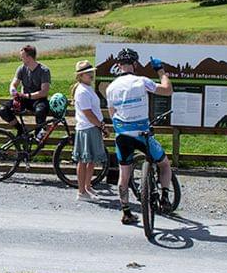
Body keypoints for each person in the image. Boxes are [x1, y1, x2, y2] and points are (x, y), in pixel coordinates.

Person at [105, 47, 174, 226]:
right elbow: (167, 90)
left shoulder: (111, 88)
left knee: (124, 174)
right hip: (141, 133)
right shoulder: (142, 81)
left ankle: (126, 212)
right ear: (135, 64)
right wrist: (160, 71)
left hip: (123, 135)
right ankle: (165, 197)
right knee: (164, 164)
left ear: (118, 65)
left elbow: (112, 114)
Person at [71, 60, 107, 203]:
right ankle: (81, 191)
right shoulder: (82, 91)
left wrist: (100, 125)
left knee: (91, 160)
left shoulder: (87, 88)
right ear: (80, 76)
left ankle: (87, 185)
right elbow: (88, 113)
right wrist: (101, 125)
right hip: (87, 128)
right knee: (84, 160)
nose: (91, 75)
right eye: (87, 73)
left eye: (91, 72)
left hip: (92, 127)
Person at [0, 44, 51, 138]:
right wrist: (13, 91)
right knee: (3, 110)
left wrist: (26, 96)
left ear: (29, 57)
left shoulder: (44, 71)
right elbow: (13, 84)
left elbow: (44, 92)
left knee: (40, 110)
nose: (21, 59)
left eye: (22, 57)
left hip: (39, 100)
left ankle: (38, 135)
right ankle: (21, 130)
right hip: (25, 100)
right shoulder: (21, 68)